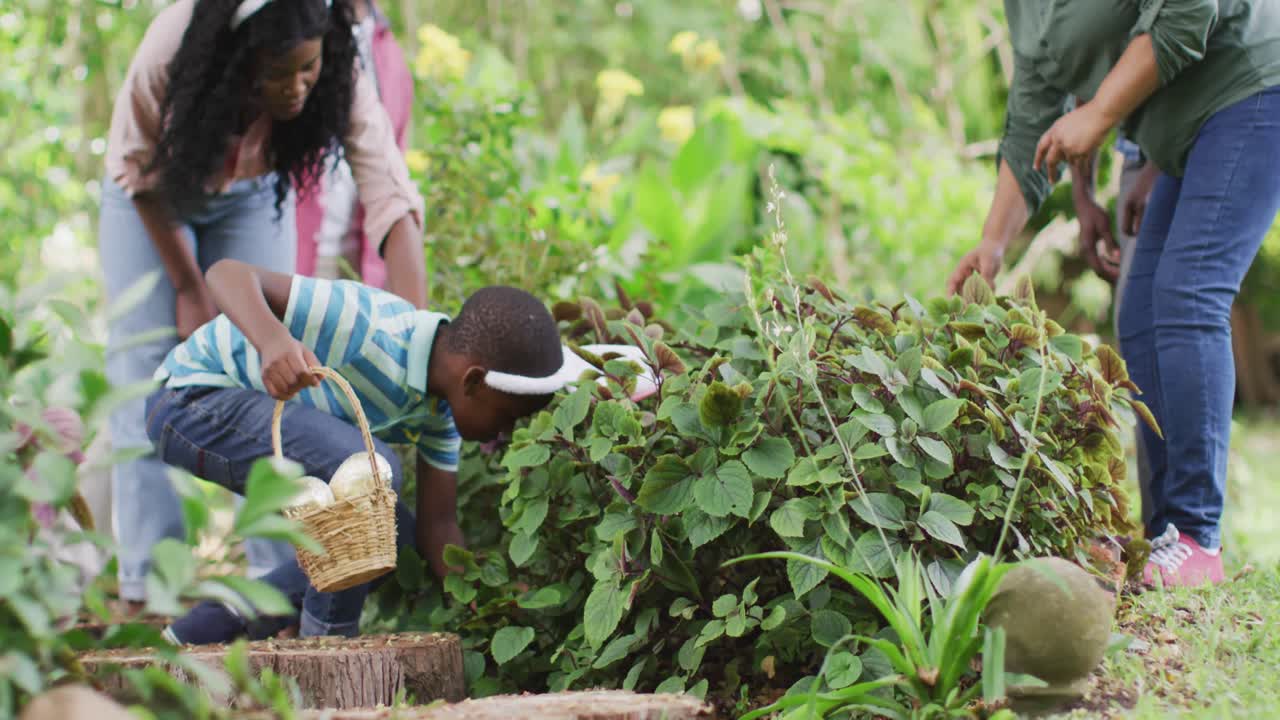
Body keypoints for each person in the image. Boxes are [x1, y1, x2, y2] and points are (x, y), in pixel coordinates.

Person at [100, 0, 428, 612]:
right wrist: (191, 288)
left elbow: (388, 190)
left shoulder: (340, 73)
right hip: (148, 201)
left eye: (308, 68)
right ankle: (151, 590)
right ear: (239, 57)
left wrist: (417, 331)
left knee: (271, 376)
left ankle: (274, 591)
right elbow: (137, 168)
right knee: (144, 374)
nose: (296, 86)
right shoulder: (172, 46)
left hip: (251, 199)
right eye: (278, 72)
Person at [947, 1, 1280, 587]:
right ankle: (1169, 538)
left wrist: (1102, 112)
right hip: (1182, 131)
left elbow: (1191, 8)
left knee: (1188, 295)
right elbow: (1032, 119)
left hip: (1253, 85)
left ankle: (1198, 534)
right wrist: (992, 244)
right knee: (1143, 311)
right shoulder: (1027, 10)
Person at [147, 259, 568, 642]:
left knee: (391, 538)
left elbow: (437, 529)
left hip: (231, 419)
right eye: (507, 417)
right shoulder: (365, 325)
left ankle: (197, 633)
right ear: (474, 382)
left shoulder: (440, 413)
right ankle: (328, 646)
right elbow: (227, 273)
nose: (507, 433)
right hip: (189, 401)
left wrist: (490, 599)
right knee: (373, 471)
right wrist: (272, 341)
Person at [1069, 132, 1160, 529]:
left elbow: (1175, 71)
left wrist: (1160, 165)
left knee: (1174, 320)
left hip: (1194, 142)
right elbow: (1083, 89)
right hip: (1139, 154)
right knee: (1136, 329)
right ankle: (1160, 529)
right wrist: (1082, 193)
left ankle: (1189, 529)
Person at [295, 0, 413, 287]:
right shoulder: (292, 18)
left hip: (355, 268)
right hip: (289, 259)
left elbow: (391, 179)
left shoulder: (389, 53)